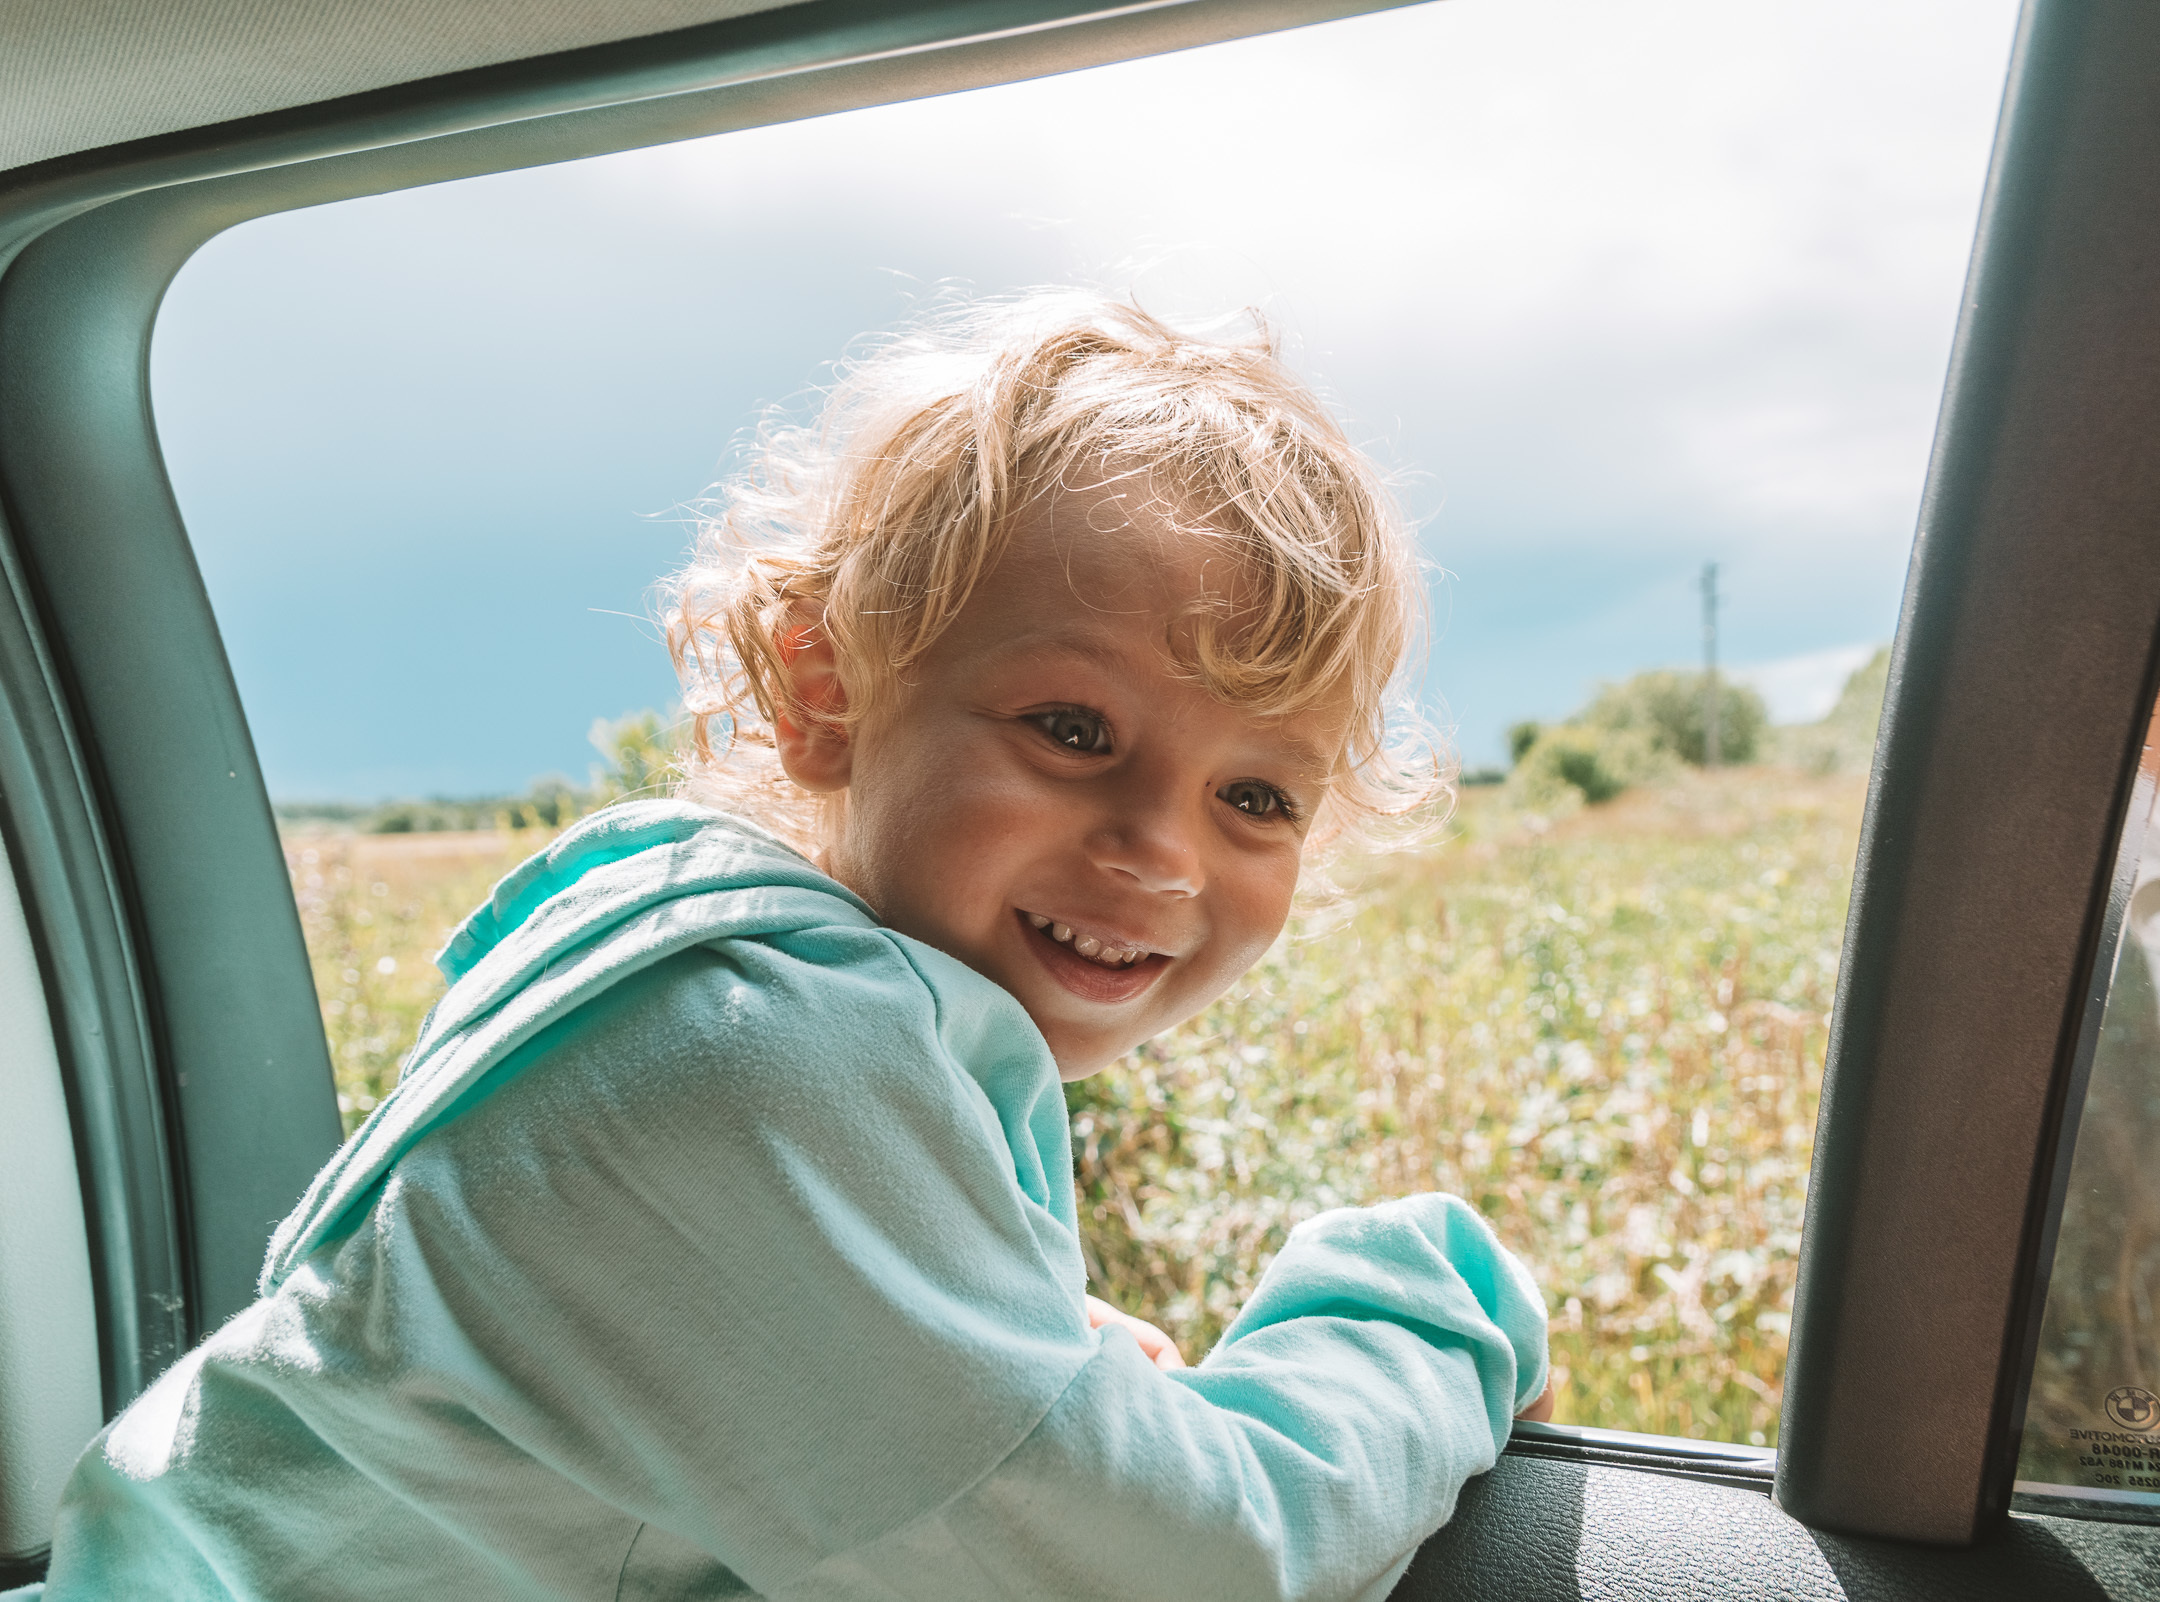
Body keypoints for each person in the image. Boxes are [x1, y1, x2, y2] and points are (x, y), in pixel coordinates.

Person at [29, 293, 1549, 1602]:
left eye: (1257, 796)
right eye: (1072, 728)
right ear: (827, 690)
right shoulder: (751, 1059)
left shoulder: (711, 977)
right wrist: (1429, 1298)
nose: (1160, 845)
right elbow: (1192, 1563)